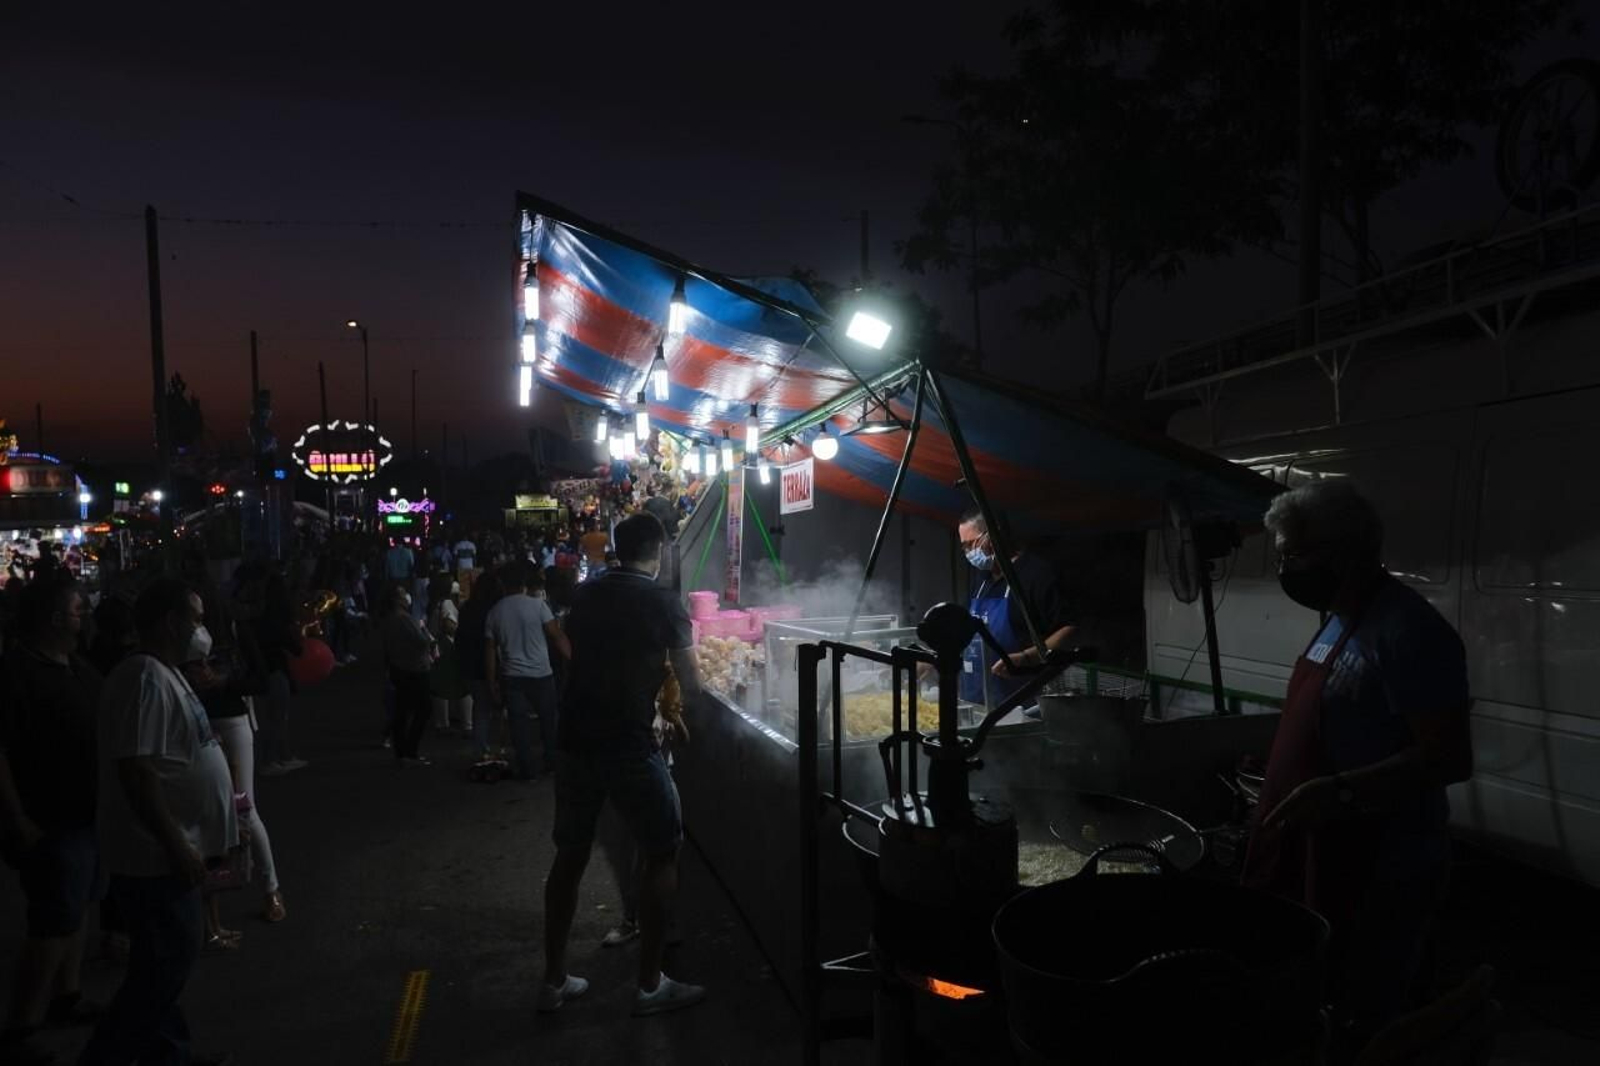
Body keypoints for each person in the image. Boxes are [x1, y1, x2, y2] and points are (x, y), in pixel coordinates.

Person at [1242, 480, 1473, 1059]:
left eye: (1294, 554)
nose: (1285, 568)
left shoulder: (1409, 631)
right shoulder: (1337, 619)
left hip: (1378, 860)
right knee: (1311, 993)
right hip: (1320, 847)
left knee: (1365, 1008)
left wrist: (1342, 792)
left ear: (1346, 549)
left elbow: (1447, 755)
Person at [537, 512, 705, 1017]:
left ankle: (552, 980)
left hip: (573, 741)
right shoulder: (663, 602)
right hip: (629, 744)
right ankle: (650, 985)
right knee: (661, 849)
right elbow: (693, 683)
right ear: (660, 550)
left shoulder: (585, 594)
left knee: (570, 854)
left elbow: (578, 653)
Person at [80, 578, 237, 1066]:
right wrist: (175, 844)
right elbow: (137, 770)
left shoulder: (165, 672)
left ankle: (168, 1054)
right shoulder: (143, 678)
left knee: (162, 965)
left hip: (169, 849)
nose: (201, 627)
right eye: (194, 617)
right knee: (163, 966)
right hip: (152, 857)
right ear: (170, 621)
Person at [0, 576, 103, 1065]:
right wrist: (18, 818)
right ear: (55, 619)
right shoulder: (17, 673)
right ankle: (20, 1027)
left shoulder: (75, 666)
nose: (85, 616)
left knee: (77, 908)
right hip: (48, 816)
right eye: (78, 610)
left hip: (86, 810)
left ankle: (68, 995)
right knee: (51, 922)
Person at [954, 510, 1076, 709]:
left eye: (972, 544)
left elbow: (1069, 629)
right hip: (976, 699)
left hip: (1021, 700)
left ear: (995, 535)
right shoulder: (981, 580)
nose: (969, 553)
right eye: (964, 547)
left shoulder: (1036, 575)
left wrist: (1026, 657)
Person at [485, 564, 570, 780]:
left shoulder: (495, 612)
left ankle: (527, 770)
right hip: (542, 673)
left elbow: (490, 653)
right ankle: (551, 762)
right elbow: (557, 636)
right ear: (524, 585)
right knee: (549, 721)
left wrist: (491, 682)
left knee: (519, 725)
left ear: (503, 585)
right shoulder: (538, 606)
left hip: (512, 676)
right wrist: (575, 661)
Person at [236, 566, 305, 777]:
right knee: (278, 716)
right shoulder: (278, 618)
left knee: (273, 715)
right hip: (276, 667)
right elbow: (296, 647)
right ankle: (271, 759)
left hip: (264, 667)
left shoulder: (258, 615)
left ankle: (280, 756)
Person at [378, 584, 434, 766]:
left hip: (398, 669)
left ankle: (402, 752)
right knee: (423, 708)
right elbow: (422, 642)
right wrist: (425, 630)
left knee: (401, 710)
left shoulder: (387, 620)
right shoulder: (405, 619)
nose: (406, 597)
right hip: (415, 670)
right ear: (397, 600)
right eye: (403, 594)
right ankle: (410, 750)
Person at [455, 570, 504, 761]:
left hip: (472, 665)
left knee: (481, 709)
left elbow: (460, 638)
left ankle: (481, 750)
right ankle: (498, 750)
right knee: (499, 709)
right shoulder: (496, 610)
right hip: (494, 664)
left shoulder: (468, 608)